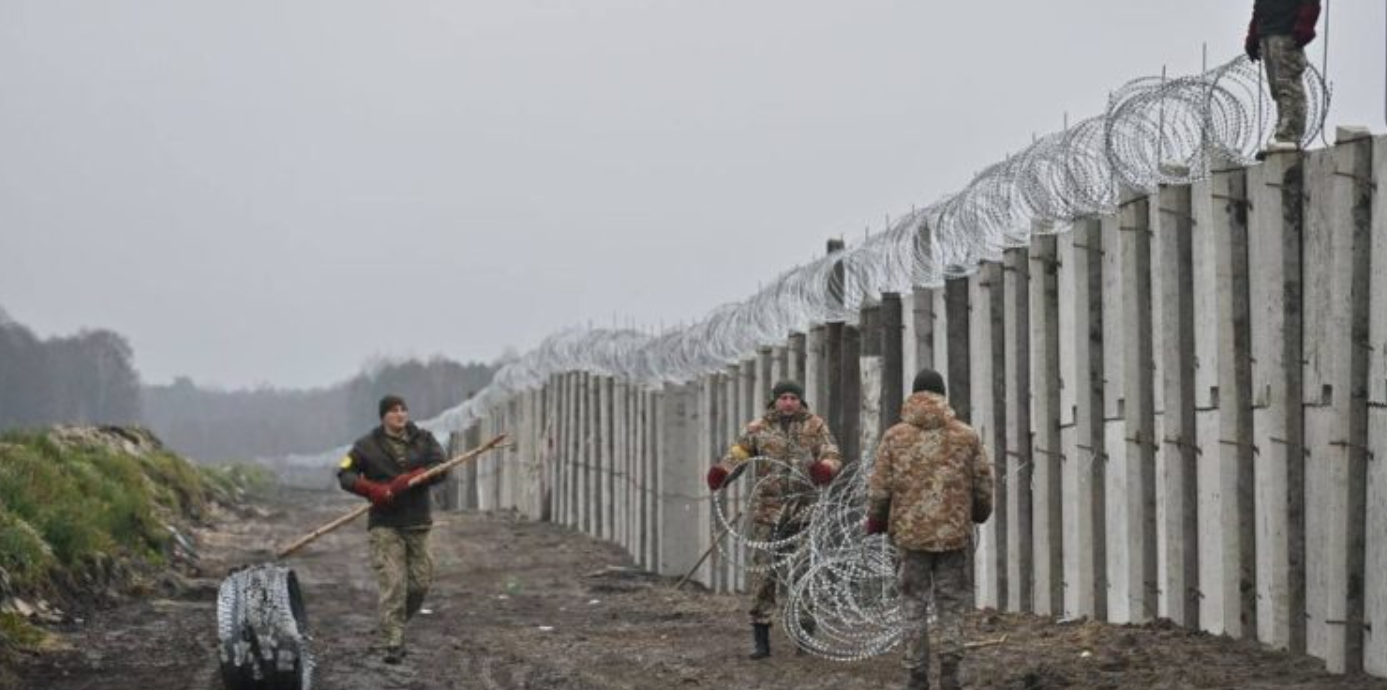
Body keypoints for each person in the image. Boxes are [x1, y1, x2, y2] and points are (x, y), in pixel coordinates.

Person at [865, 369, 993, 690]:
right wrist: (977, 515)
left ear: (914, 394)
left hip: (910, 538)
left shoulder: (895, 436)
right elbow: (982, 486)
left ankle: (916, 674)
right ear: (942, 394)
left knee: (913, 605)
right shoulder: (966, 435)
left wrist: (877, 520)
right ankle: (950, 672)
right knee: (951, 604)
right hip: (952, 536)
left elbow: (880, 489)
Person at [706, 380, 842, 660]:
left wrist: (824, 469)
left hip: (803, 513)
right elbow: (739, 454)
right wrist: (722, 474)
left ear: (800, 400)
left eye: (793, 397)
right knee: (763, 575)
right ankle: (761, 639)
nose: (788, 402)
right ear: (774, 401)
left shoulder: (815, 426)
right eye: (783, 398)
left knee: (804, 573)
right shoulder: (758, 428)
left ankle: (805, 637)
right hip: (767, 514)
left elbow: (831, 453)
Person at [337, 395, 446, 664]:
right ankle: (393, 641)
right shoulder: (366, 446)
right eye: (394, 411)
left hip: (418, 522)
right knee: (394, 583)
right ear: (383, 416)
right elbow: (344, 473)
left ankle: (393, 622)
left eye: (403, 410)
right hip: (385, 524)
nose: (400, 415)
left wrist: (414, 477)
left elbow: (441, 467)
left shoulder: (424, 439)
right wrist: (371, 490)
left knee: (420, 583)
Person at [1244, 0, 1321, 155]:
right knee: (1277, 90)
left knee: (1288, 86)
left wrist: (1304, 27)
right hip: (1267, 34)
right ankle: (1283, 136)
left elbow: (1311, 3)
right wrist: (1253, 35)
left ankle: (1290, 137)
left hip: (1286, 33)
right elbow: (1259, 8)